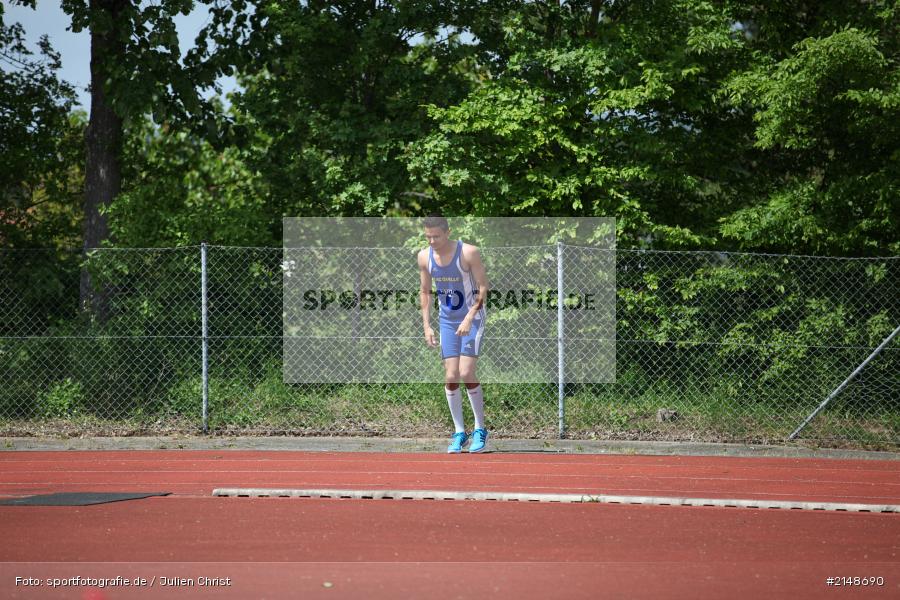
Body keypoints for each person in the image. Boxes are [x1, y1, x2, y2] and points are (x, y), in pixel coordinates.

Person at [418, 215, 489, 453]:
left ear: (448, 232)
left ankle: (480, 428)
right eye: (428, 236)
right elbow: (425, 291)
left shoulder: (468, 252)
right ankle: (460, 432)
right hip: (447, 321)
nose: (432, 241)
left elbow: (483, 287)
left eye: (436, 236)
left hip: (473, 317)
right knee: (450, 376)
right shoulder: (424, 257)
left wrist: (470, 317)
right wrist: (427, 325)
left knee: (466, 371)